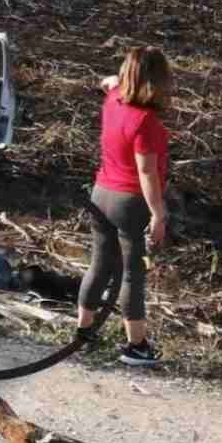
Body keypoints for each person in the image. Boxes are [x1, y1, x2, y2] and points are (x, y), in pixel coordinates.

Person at [76, 46, 171, 366]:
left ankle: (84, 332)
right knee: (133, 274)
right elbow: (147, 173)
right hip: (130, 203)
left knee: (99, 265)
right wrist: (158, 213)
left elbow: (109, 82)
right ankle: (137, 346)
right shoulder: (147, 122)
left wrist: (115, 82)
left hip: (101, 193)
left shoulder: (113, 100)